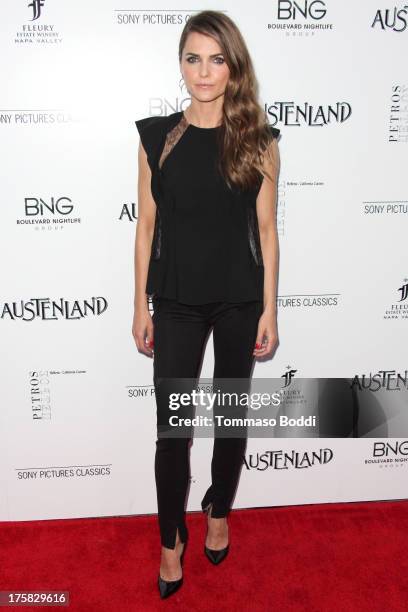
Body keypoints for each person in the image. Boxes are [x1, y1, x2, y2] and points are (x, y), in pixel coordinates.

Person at [132, 10, 280, 599]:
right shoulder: (155, 137)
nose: (204, 71)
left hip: (240, 298)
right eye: (193, 58)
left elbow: (267, 232)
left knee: (230, 421)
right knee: (173, 433)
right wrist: (140, 305)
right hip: (175, 300)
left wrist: (271, 309)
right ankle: (173, 540)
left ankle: (218, 506)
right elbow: (145, 227)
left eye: (216, 59)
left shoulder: (259, 141)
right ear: (181, 65)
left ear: (233, 66)